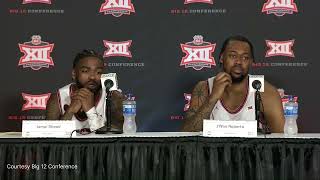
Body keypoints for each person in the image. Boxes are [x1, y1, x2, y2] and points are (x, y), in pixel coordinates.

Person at [181, 35, 285, 133]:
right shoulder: (204, 87)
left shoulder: (264, 90)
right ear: (222, 58)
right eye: (232, 56)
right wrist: (212, 97)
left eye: (245, 57)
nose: (238, 62)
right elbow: (186, 134)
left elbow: (282, 139)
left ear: (251, 62)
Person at [46, 49, 124, 131]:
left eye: (98, 72)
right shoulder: (58, 97)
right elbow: (49, 137)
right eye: (85, 71)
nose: (92, 77)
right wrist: (70, 111)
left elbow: (114, 139)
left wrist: (90, 111)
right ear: (74, 74)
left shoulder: (113, 96)